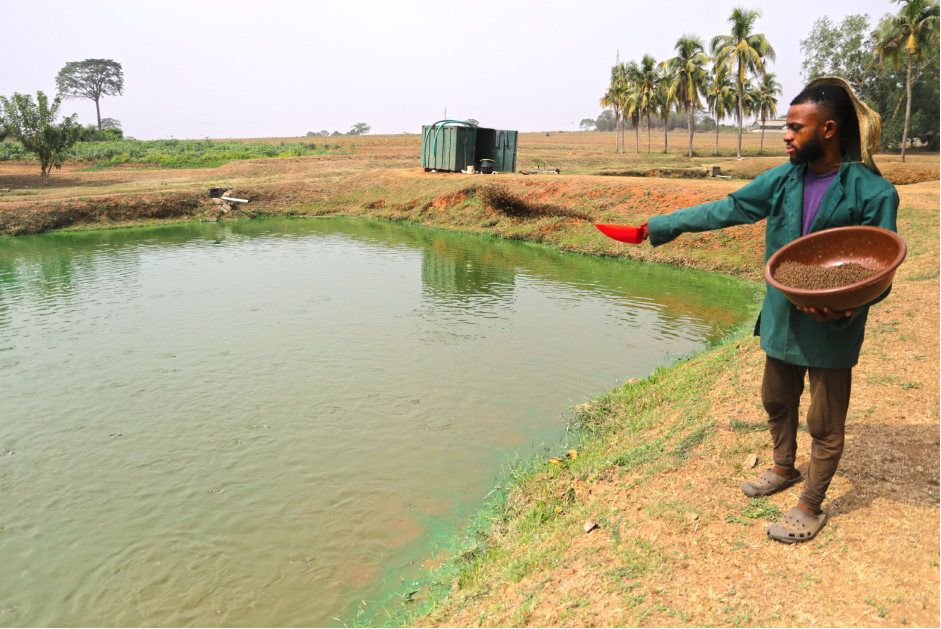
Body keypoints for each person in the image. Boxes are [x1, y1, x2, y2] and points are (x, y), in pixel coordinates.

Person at [640, 77, 899, 544]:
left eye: (795, 127)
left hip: (833, 323)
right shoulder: (783, 179)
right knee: (776, 398)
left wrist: (844, 308)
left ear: (829, 130)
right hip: (782, 313)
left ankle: (810, 505)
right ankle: (784, 466)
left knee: (825, 421)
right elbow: (728, 208)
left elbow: (881, 269)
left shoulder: (872, 191)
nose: (786, 134)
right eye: (787, 125)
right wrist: (661, 226)